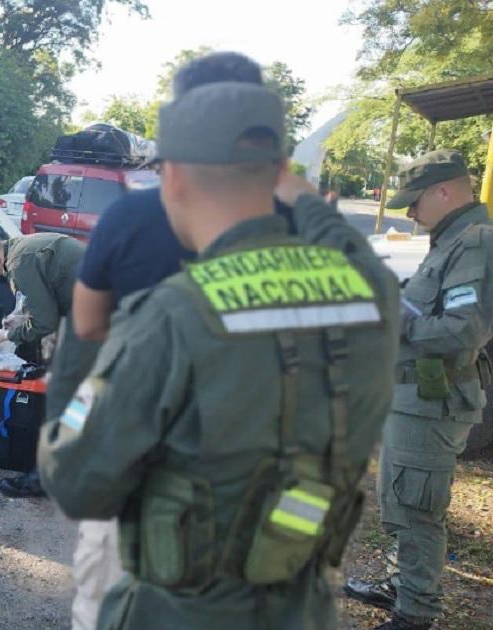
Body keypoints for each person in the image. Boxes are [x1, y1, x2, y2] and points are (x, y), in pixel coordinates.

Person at [37, 78, 401, 629]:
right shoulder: (371, 291)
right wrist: (296, 190)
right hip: (299, 608)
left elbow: (77, 483)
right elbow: (338, 236)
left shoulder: (171, 316)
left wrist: (76, 355)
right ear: (277, 173)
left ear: (174, 176)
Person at [344, 150, 493, 630]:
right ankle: (400, 585)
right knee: (403, 502)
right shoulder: (452, 241)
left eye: (415, 201)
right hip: (415, 399)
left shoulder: (475, 242)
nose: (409, 212)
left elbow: (459, 332)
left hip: (433, 402)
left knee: (417, 510)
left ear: (444, 191)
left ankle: (415, 614)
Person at [0, 232, 88, 497]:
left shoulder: (20, 263)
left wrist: (9, 335)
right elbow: (44, 301)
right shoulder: (24, 247)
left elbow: (44, 323)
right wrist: (16, 322)